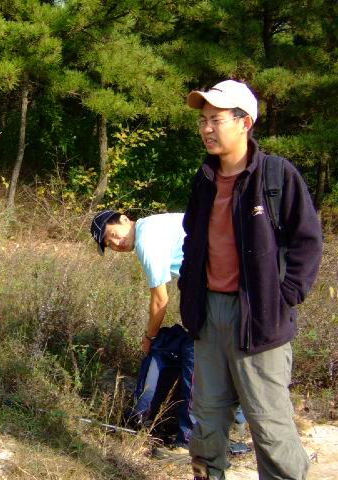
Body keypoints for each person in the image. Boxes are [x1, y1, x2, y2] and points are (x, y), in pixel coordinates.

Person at [179, 79, 322, 480]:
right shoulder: (204, 179)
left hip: (260, 320)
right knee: (206, 423)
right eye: (203, 121)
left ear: (245, 123)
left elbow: (307, 241)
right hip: (209, 315)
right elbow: (192, 239)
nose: (207, 128)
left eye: (216, 119)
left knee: (269, 427)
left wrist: (284, 296)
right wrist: (189, 292)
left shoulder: (276, 175)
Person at [91, 211, 193, 447]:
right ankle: (236, 421)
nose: (116, 243)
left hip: (226, 285)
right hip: (227, 279)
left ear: (124, 219)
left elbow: (160, 300)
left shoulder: (147, 239)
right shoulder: (155, 225)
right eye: (109, 244)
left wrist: (150, 337)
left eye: (112, 235)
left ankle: (190, 440)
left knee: (195, 353)